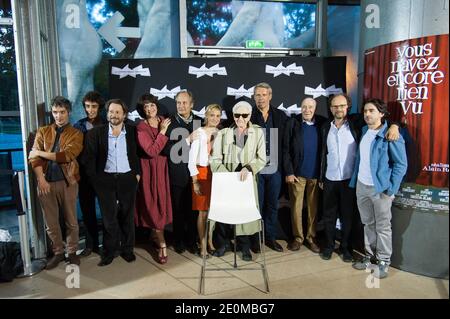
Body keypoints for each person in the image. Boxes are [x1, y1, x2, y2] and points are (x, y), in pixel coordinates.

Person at [319, 93, 399, 262]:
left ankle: (346, 248)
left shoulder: (357, 123)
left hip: (350, 180)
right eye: (335, 106)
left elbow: (380, 122)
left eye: (341, 105)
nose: (338, 109)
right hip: (330, 178)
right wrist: (321, 177)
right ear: (330, 108)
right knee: (329, 216)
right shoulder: (326, 126)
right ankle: (328, 246)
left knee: (348, 216)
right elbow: (323, 155)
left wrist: (395, 126)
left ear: (347, 107)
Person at [350, 99, 407, 279]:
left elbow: (401, 164)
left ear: (381, 114)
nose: (367, 114)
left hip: (380, 189)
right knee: (368, 223)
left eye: (372, 111)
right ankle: (369, 256)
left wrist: (391, 189)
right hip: (361, 186)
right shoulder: (365, 131)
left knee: (383, 226)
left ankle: (383, 261)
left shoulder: (391, 134)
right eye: (365, 111)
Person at [83, 99, 141, 267]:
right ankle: (109, 251)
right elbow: (89, 159)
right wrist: (96, 180)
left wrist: (136, 175)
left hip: (127, 179)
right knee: (109, 219)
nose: (114, 115)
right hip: (105, 180)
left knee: (127, 217)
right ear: (107, 113)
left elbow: (135, 155)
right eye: (111, 112)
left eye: (117, 112)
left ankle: (127, 250)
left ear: (124, 114)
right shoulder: (96, 133)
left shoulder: (132, 131)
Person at [28, 96, 83, 269]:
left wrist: (39, 152)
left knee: (71, 220)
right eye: (55, 112)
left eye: (62, 112)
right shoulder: (43, 131)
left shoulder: (76, 133)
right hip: (45, 182)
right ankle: (58, 252)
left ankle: (72, 251)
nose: (58, 116)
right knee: (51, 222)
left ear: (68, 112)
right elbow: (34, 159)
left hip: (68, 182)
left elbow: (66, 156)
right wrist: (41, 179)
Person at [210, 101, 266, 261]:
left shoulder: (258, 133)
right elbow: (214, 159)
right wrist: (226, 175)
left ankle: (244, 247)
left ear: (249, 116)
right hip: (227, 180)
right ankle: (223, 244)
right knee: (224, 213)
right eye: (237, 115)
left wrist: (248, 168)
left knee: (245, 214)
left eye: (244, 115)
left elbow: (261, 158)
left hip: (246, 181)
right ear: (233, 116)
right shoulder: (224, 133)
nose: (240, 118)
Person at [283, 97, 326, 253]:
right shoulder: (293, 123)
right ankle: (298, 238)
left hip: (315, 175)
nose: (307, 110)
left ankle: (311, 237)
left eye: (310, 107)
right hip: (297, 175)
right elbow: (286, 149)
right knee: (296, 207)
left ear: (315, 108)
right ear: (300, 108)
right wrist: (289, 171)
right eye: (304, 107)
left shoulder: (322, 123)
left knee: (313, 209)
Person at [250, 82, 288, 253]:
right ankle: (256, 239)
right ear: (254, 97)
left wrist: (287, 170)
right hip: (255, 170)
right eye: (257, 95)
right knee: (256, 205)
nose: (261, 98)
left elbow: (285, 145)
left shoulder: (280, 116)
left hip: (275, 169)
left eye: (264, 95)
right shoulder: (248, 116)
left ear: (270, 96)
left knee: (272, 205)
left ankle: (270, 237)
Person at [134, 93, 172, 264]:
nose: (149, 109)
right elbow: (151, 151)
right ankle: (162, 243)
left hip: (165, 168)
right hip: (150, 170)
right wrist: (162, 132)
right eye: (146, 107)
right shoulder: (141, 127)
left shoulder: (165, 120)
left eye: (151, 105)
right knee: (153, 204)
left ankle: (155, 235)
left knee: (163, 203)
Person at [162, 90, 202, 255]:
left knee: (193, 211)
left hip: (196, 174)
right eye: (178, 102)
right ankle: (178, 241)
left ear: (192, 104)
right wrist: (186, 141)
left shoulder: (200, 121)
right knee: (178, 210)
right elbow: (165, 149)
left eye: (185, 102)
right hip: (177, 173)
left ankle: (192, 241)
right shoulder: (169, 123)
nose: (181, 106)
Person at [73, 91, 106, 257]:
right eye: (87, 106)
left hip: (102, 175)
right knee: (87, 212)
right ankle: (90, 245)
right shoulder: (78, 125)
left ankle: (107, 244)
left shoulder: (107, 124)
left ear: (99, 107)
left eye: (93, 106)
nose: (90, 110)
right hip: (84, 176)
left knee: (107, 212)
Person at [188, 104, 222, 257]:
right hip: (201, 175)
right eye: (212, 115)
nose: (215, 118)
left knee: (212, 212)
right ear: (206, 116)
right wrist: (195, 181)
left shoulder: (221, 133)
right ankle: (202, 246)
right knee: (202, 213)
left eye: (218, 115)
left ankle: (210, 241)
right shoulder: (199, 133)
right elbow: (191, 160)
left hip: (216, 174)